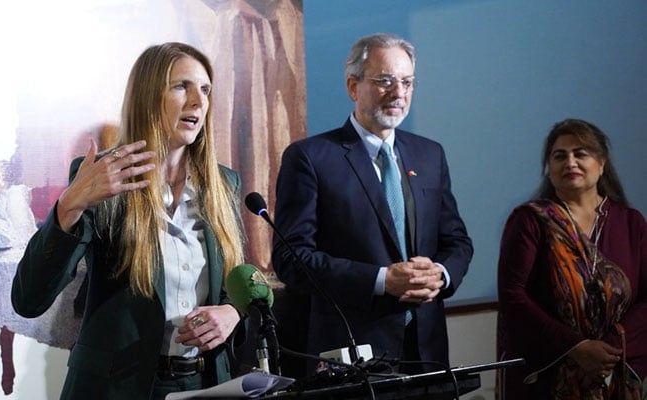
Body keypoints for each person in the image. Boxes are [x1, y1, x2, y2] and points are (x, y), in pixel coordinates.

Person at [11, 42, 245, 400]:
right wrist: (69, 205)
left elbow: (234, 283)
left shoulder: (224, 184)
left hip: (205, 384)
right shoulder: (103, 177)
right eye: (182, 86)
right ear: (149, 96)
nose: (198, 102)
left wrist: (232, 312)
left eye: (205, 89)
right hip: (116, 388)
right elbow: (28, 300)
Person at [271, 33, 473, 375]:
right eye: (385, 81)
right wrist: (380, 279)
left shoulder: (430, 154)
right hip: (352, 356)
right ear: (353, 86)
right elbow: (291, 258)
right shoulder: (311, 158)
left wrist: (440, 273)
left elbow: (456, 242)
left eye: (407, 82)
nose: (399, 93)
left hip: (426, 351)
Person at [496, 118, 647, 399]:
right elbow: (512, 297)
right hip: (548, 375)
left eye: (581, 153)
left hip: (613, 373)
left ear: (601, 164)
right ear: (549, 169)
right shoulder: (530, 221)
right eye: (559, 156)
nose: (570, 162)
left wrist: (609, 349)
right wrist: (576, 347)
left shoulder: (631, 223)